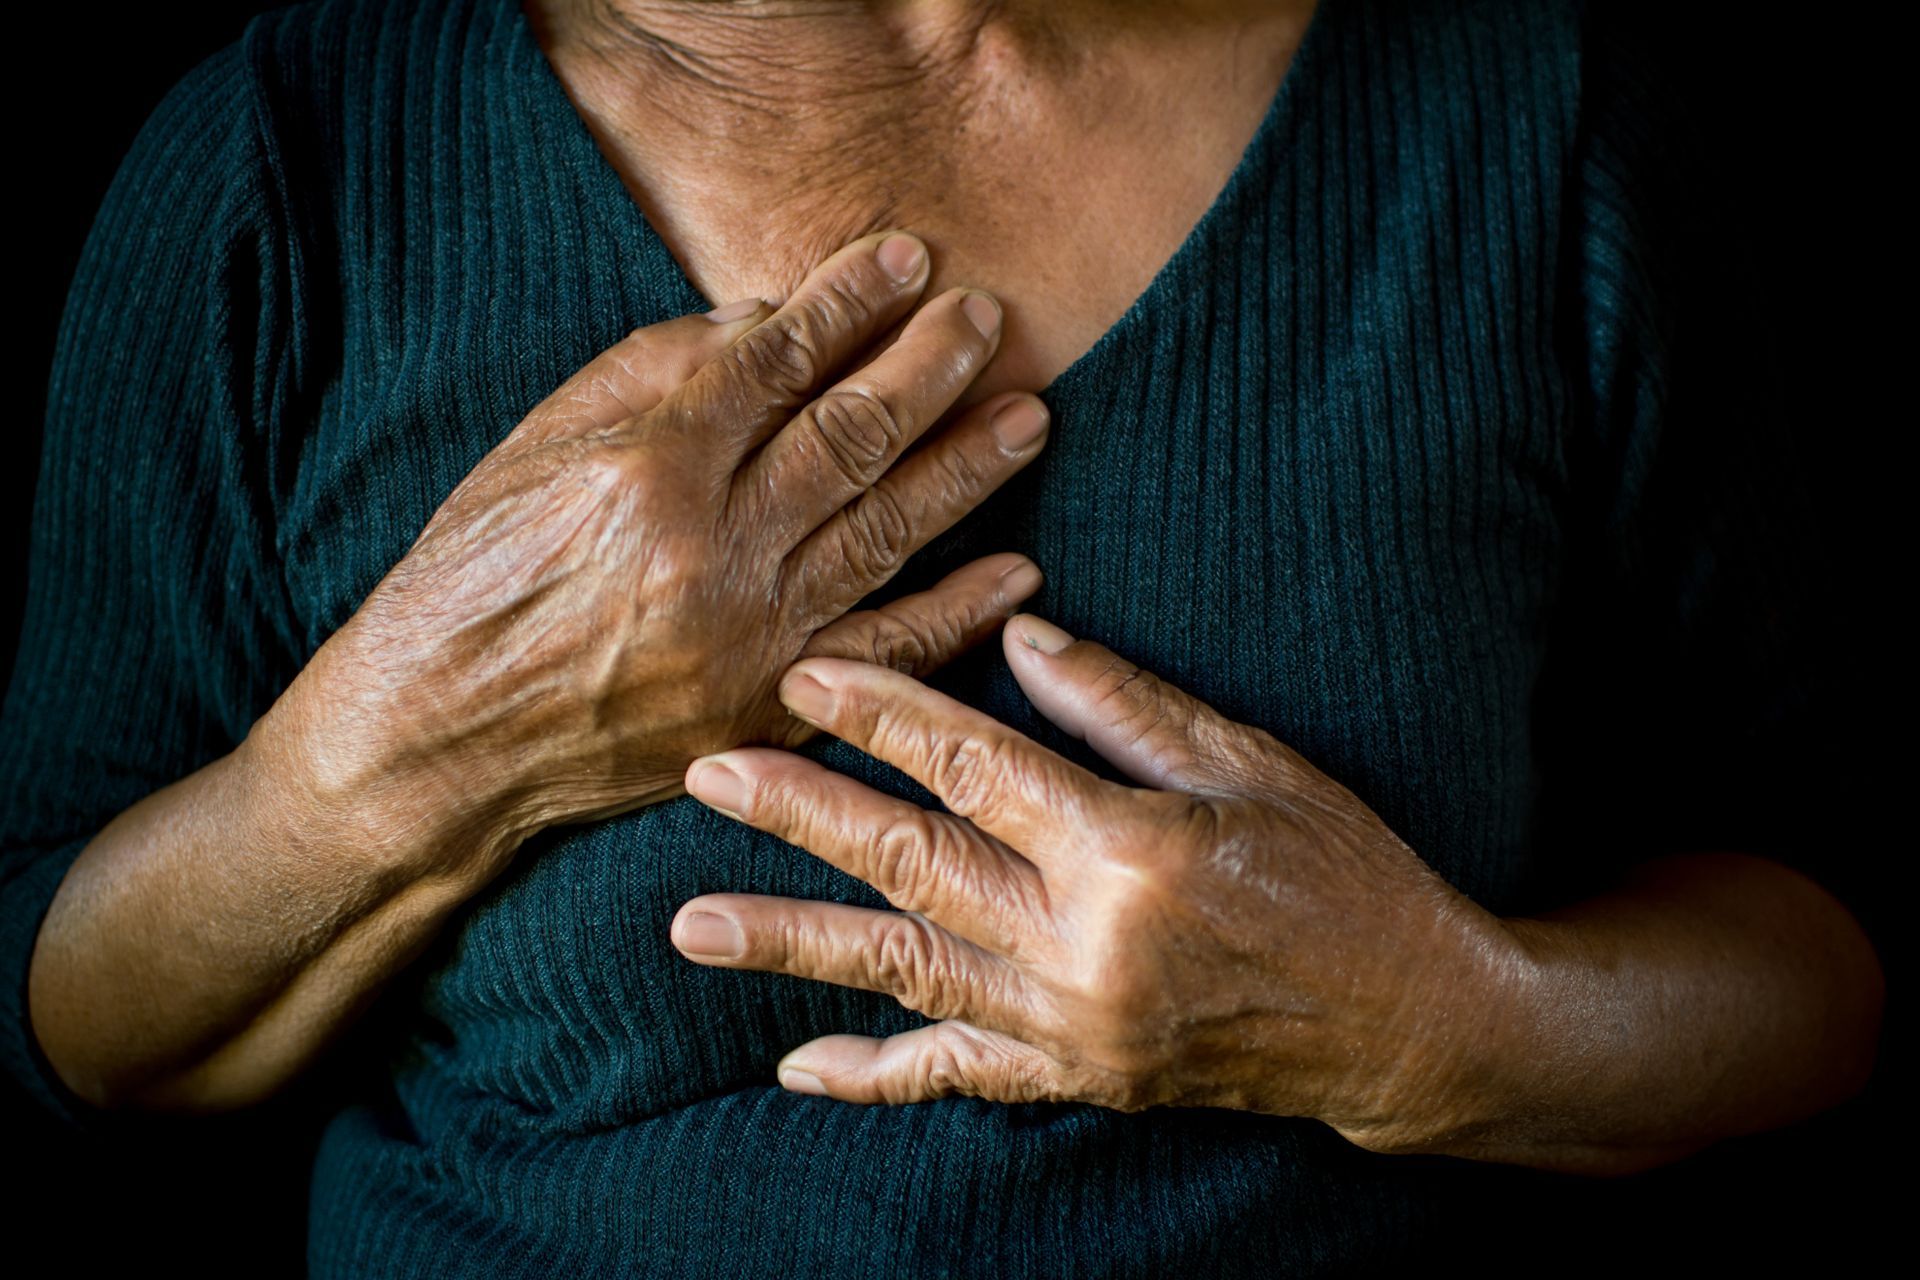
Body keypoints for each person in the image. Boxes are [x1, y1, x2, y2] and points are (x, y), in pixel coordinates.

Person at [0, 0, 1884, 1273]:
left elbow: (1833, 957)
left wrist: (1426, 1026)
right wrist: (440, 744)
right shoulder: (290, 174)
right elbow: (73, 1021)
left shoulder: (1522, 122)